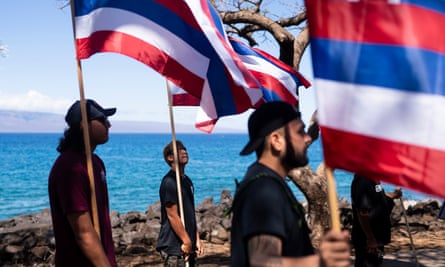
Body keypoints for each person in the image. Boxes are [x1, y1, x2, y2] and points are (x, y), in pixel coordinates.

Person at [231, 101, 351, 267]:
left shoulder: (270, 183)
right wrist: (320, 261)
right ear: (276, 140)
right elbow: (262, 262)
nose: (308, 137)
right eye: (300, 132)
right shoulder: (264, 190)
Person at [48, 99, 117, 267]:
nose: (109, 125)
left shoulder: (95, 162)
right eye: (102, 120)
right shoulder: (70, 168)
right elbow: (83, 232)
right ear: (83, 125)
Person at [157, 140, 204, 267]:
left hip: (189, 244)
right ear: (170, 157)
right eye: (179, 150)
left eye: (184, 149)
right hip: (175, 246)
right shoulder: (170, 182)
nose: (184, 152)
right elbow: (172, 215)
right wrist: (186, 240)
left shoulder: (186, 181)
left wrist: (197, 239)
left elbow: (189, 213)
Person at [351, 174, 402, 267]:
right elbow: (362, 212)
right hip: (367, 240)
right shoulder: (363, 181)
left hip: (377, 238)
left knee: (376, 262)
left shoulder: (374, 180)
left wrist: (395, 195)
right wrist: (370, 238)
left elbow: (379, 196)